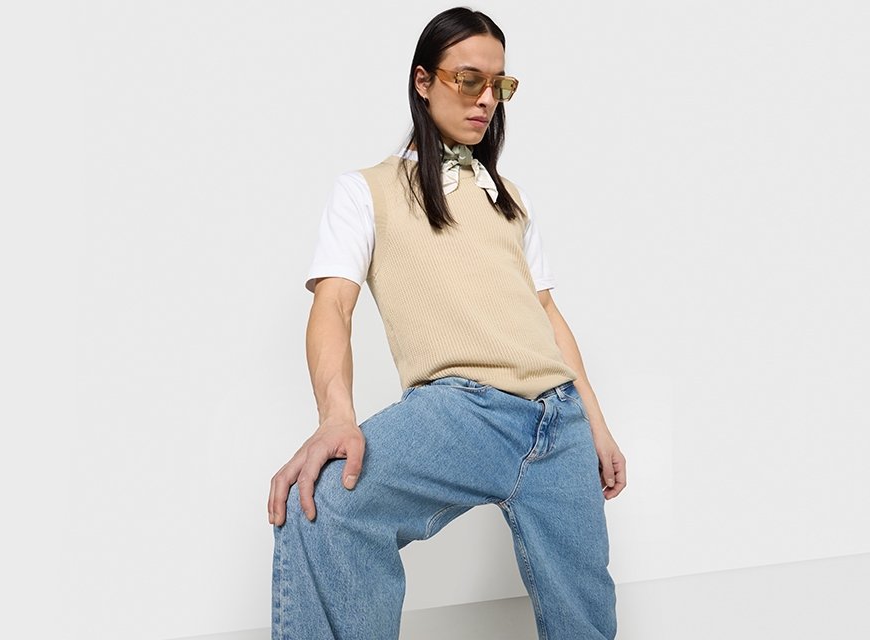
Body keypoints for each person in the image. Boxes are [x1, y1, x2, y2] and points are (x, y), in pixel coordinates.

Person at [268, 7, 627, 639]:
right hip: (462, 413)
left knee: (586, 618)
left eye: (499, 85)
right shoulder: (366, 191)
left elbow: (546, 312)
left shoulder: (510, 199)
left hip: (559, 420)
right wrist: (336, 416)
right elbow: (333, 304)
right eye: (468, 80)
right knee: (322, 502)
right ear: (423, 81)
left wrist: (596, 426)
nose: (486, 99)